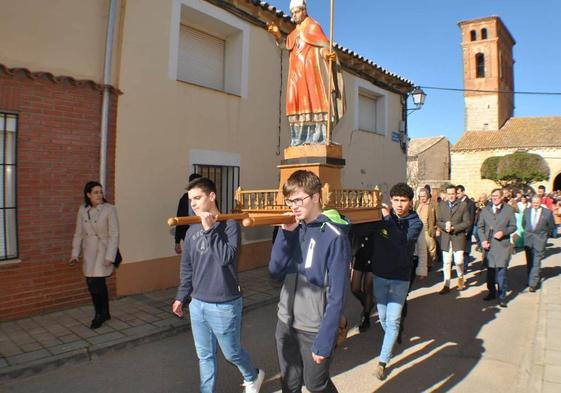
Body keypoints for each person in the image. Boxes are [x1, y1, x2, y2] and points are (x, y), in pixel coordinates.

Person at [172, 177, 264, 393]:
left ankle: (253, 375)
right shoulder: (191, 230)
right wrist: (181, 296)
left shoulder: (229, 225)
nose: (193, 204)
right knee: (204, 356)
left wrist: (210, 230)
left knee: (231, 353)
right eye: (191, 200)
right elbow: (187, 268)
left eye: (197, 198)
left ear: (211, 196)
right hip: (197, 304)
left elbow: (226, 259)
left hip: (225, 303)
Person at [269, 170, 350, 393]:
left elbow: (338, 295)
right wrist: (285, 236)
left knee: (316, 385)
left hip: (314, 328)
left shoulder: (334, 236)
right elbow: (274, 272)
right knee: (289, 383)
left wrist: (325, 339)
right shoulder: (291, 228)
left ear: (315, 197)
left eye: (298, 199)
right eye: (289, 200)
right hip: (285, 323)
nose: (293, 206)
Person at [267, 0, 345, 146]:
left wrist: (327, 54)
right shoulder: (294, 33)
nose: (293, 16)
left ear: (304, 10)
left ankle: (318, 138)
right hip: (296, 77)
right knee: (293, 103)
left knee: (314, 103)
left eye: (296, 12)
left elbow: (322, 46)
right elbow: (286, 45)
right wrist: (277, 35)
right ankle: (298, 139)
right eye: (292, 13)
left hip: (311, 75)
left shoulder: (313, 27)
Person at [370, 183, 423, 380]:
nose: (399, 205)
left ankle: (382, 362)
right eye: (396, 200)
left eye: (403, 201)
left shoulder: (415, 223)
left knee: (392, 321)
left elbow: (401, 244)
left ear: (410, 202)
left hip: (400, 278)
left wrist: (387, 218)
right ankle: (391, 337)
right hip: (380, 276)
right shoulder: (383, 218)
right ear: (391, 200)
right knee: (383, 318)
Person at [70, 181, 119, 329]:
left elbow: (114, 234)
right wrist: (74, 253)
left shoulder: (109, 209)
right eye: (96, 192)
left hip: (103, 251)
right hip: (89, 252)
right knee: (93, 283)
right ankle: (104, 312)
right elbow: (78, 233)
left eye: (101, 192)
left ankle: (99, 314)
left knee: (96, 283)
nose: (99, 195)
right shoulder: (82, 210)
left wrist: (110, 257)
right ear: (88, 194)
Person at [477, 188, 517, 307]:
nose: (494, 198)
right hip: (489, 246)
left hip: (502, 246)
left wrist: (503, 232)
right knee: (490, 272)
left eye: (497, 196)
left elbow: (513, 226)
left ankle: (502, 296)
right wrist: (483, 240)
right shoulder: (485, 210)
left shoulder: (509, 210)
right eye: (493, 196)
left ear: (501, 197)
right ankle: (491, 292)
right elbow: (480, 227)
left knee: (501, 273)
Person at [436, 185, 471, 293]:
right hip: (446, 238)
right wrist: (444, 226)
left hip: (458, 237)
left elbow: (467, 222)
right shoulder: (442, 205)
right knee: (446, 262)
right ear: (446, 194)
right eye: (449, 194)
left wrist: (454, 228)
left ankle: (460, 277)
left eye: (453, 194)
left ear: (456, 194)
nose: (451, 196)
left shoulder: (463, 205)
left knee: (459, 261)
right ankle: (446, 285)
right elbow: (438, 221)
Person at [522, 195, 555, 292]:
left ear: (541, 202)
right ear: (531, 202)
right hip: (528, 240)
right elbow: (524, 224)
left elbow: (551, 226)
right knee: (530, 262)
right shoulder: (527, 211)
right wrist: (528, 233)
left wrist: (543, 235)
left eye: (537, 202)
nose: (535, 204)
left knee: (536, 263)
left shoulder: (547, 213)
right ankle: (530, 279)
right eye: (533, 202)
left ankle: (533, 284)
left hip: (540, 240)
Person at [349, 224, 374, 332]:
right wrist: (349, 257)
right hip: (359, 255)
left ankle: (366, 316)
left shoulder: (377, 218)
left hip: (373, 255)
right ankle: (368, 303)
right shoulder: (356, 222)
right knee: (354, 288)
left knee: (368, 287)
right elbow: (350, 238)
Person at [174, 173, 202, 254]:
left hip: (204, 236)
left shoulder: (207, 199)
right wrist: (177, 242)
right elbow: (179, 219)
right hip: (188, 237)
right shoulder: (184, 199)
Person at [415, 188, 437, 270]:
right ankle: (422, 264)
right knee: (420, 248)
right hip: (418, 229)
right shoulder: (417, 203)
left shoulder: (433, 204)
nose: (422, 198)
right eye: (420, 196)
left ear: (427, 195)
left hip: (428, 230)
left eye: (423, 196)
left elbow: (437, 217)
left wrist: (437, 229)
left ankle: (430, 263)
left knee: (430, 248)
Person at [456, 185, 476, 272]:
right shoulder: (456, 202)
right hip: (458, 229)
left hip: (466, 229)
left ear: (463, 192)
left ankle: (465, 265)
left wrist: (468, 231)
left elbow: (471, 218)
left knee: (466, 248)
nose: (457, 195)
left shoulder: (470, 203)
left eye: (458, 193)